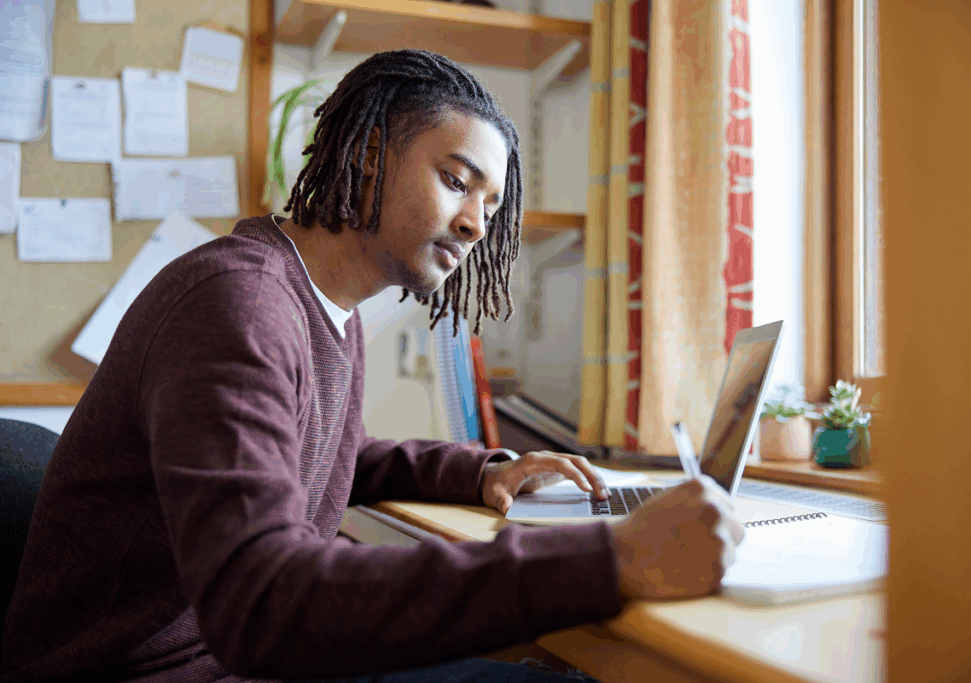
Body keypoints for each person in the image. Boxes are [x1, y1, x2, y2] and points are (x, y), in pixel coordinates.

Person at [0, 50, 744, 683]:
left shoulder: (319, 303)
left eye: (490, 203)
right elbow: (259, 603)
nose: (476, 224)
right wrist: (608, 557)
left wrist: (479, 469)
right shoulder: (238, 304)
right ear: (367, 154)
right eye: (457, 181)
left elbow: (326, 452)